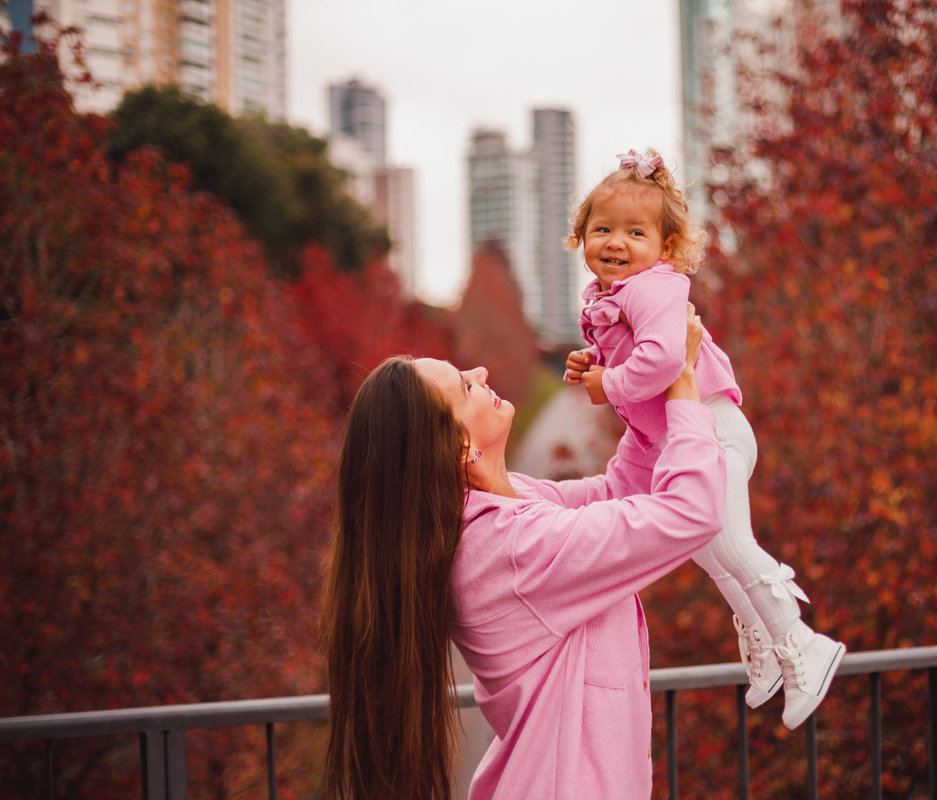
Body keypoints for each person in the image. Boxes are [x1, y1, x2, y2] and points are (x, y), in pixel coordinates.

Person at [322, 308, 726, 799]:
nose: (481, 373)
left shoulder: (508, 508)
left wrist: (644, 380)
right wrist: (681, 383)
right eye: (465, 387)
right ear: (458, 446)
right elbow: (693, 512)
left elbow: (623, 492)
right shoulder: (515, 546)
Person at [563, 148, 845, 730]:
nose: (616, 241)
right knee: (704, 547)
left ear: (664, 249)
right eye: (603, 229)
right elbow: (631, 358)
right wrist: (590, 361)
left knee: (733, 542)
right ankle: (767, 652)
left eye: (635, 232)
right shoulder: (607, 297)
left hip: (712, 428)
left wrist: (606, 384)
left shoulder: (656, 287)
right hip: (683, 437)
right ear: (582, 235)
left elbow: (666, 359)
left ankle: (803, 644)